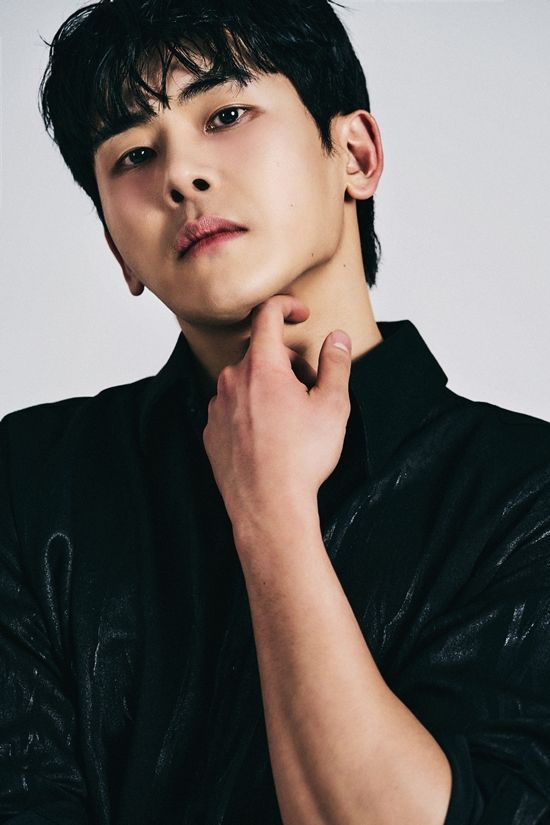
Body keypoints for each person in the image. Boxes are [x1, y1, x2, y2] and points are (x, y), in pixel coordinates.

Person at [1, 0, 549, 823]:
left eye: (225, 115)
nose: (180, 176)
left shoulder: (524, 494)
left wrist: (274, 517)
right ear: (119, 249)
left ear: (355, 155)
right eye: (135, 154)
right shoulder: (31, 481)